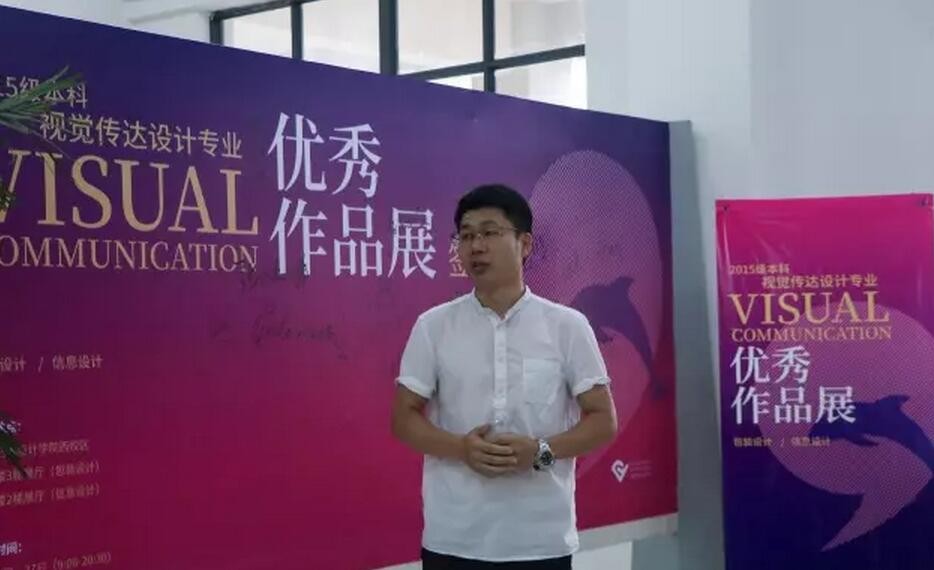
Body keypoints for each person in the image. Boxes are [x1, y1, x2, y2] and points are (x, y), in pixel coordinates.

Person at [391, 184, 618, 569]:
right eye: (466, 236)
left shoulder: (567, 326)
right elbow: (403, 418)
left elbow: (602, 420)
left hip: (540, 540)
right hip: (454, 538)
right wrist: (461, 448)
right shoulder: (434, 326)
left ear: (525, 244)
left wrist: (540, 451)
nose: (475, 246)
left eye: (489, 232)